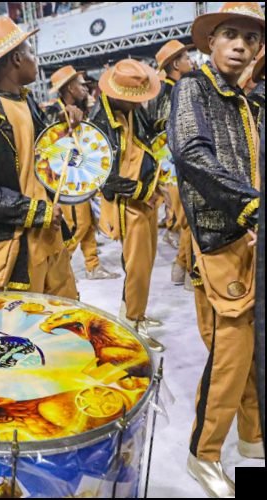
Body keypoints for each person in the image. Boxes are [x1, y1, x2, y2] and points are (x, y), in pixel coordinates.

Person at [169, 3, 264, 496]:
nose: (241, 45)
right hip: (222, 237)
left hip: (247, 234)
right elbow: (192, 156)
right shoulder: (193, 88)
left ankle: (252, 437)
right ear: (210, 42)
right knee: (229, 352)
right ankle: (202, 453)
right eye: (230, 34)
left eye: (250, 38)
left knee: (248, 345)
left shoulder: (242, 99)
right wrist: (252, 208)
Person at [0, 16, 78, 299]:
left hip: (50, 236)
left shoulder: (26, 101)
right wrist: (36, 211)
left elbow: (39, 153)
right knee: (24, 333)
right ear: (18, 59)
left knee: (66, 319)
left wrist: (63, 123)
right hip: (16, 247)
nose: (36, 59)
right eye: (32, 52)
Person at [89, 59, 165, 352]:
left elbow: (146, 133)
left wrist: (167, 124)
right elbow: (104, 177)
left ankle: (137, 315)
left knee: (145, 264)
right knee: (134, 267)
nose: (139, 104)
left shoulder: (130, 109)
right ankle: (131, 323)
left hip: (145, 198)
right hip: (127, 204)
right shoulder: (100, 122)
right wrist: (139, 190)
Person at [45, 65, 119, 281]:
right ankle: (59, 268)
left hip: (82, 178)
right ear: (69, 87)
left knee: (88, 226)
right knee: (78, 225)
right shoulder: (55, 113)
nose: (86, 88)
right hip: (67, 182)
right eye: (80, 84)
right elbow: (51, 149)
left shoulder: (82, 111)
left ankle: (93, 265)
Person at [150, 40, 196, 288]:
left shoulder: (167, 89)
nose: (191, 62)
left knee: (184, 220)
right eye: (187, 58)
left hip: (170, 169)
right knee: (188, 219)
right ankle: (189, 272)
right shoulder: (172, 92)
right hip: (173, 168)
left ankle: (181, 267)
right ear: (176, 64)